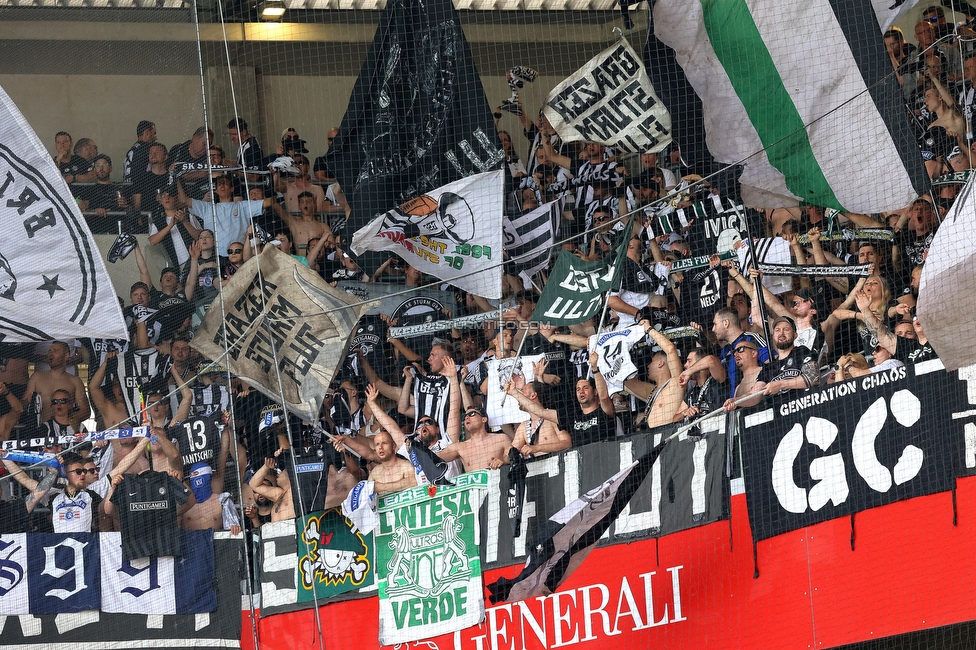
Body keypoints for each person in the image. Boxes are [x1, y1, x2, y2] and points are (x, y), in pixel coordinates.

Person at [21, 341, 89, 429]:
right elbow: (23, 404)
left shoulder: (75, 381)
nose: (51, 354)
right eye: (49, 351)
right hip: (42, 431)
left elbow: (85, 410)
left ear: (66, 356)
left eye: (55, 351)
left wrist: (68, 421)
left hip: (66, 432)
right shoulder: (37, 377)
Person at [435, 406, 512, 471]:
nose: (466, 417)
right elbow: (434, 458)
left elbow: (513, 457)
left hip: (497, 485)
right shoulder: (459, 447)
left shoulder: (501, 438)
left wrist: (503, 461)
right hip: (473, 488)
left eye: (471, 414)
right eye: (464, 417)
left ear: (483, 419)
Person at [757, 316, 819, 396]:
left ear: (795, 335)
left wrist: (780, 385)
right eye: (777, 330)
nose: (781, 333)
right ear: (773, 336)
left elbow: (813, 378)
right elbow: (755, 394)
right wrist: (737, 400)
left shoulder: (802, 352)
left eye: (786, 329)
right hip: (778, 408)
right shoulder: (768, 367)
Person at [723, 335, 767, 411]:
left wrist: (736, 400)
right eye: (734, 352)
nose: (735, 354)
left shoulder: (765, 371)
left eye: (740, 349)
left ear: (753, 353)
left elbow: (754, 396)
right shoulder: (738, 387)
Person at [123, 120, 156, 185]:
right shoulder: (147, 149)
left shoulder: (132, 150)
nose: (155, 137)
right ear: (147, 133)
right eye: (154, 133)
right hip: (140, 190)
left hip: (127, 188)